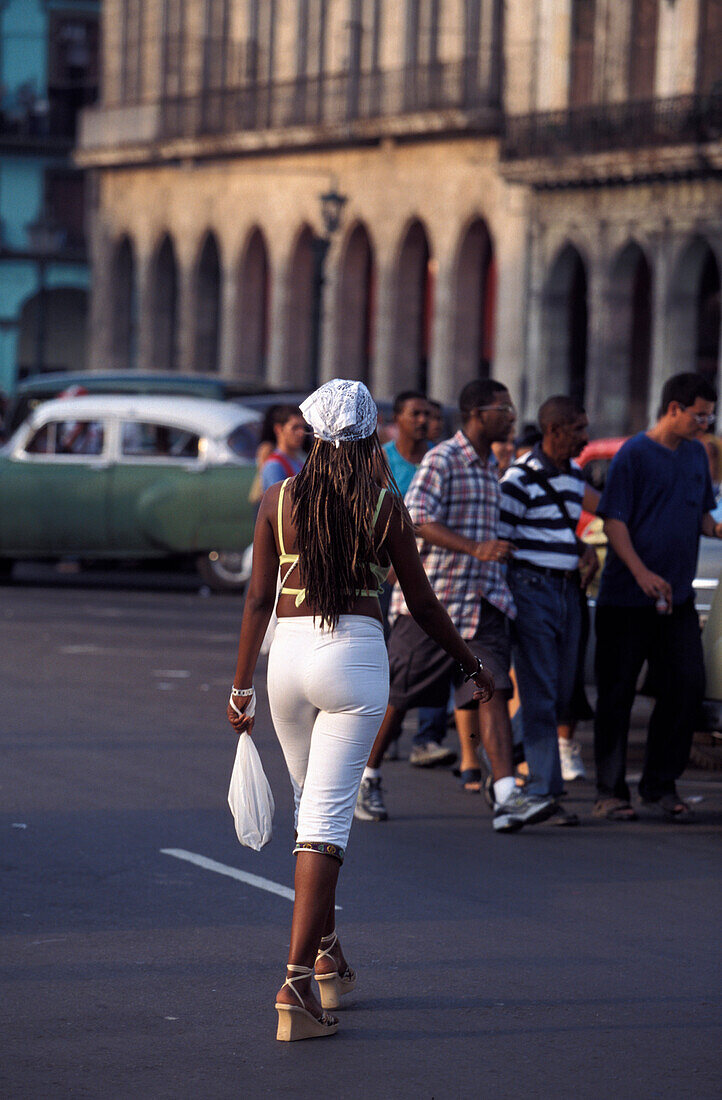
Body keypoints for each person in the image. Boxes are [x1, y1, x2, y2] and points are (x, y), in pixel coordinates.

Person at [226, 378, 493, 1041]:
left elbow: (257, 601)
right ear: (371, 435)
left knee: (308, 809)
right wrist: (469, 662)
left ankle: (326, 956)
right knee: (325, 822)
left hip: (285, 662)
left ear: (313, 436)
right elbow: (424, 606)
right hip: (354, 658)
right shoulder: (383, 505)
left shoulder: (277, 499)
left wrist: (241, 689)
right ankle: (294, 986)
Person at [357, 379, 556, 832]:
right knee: (398, 697)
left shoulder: (490, 466)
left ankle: (507, 796)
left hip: (484, 602)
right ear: (477, 413)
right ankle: (367, 777)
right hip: (436, 603)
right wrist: (476, 548)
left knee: (493, 690)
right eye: (503, 408)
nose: (510, 415)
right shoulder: (444, 458)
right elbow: (419, 518)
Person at [592, 372, 722, 822]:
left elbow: (703, 517)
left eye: (710, 416)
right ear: (673, 409)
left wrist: (718, 528)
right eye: (699, 415)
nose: (705, 424)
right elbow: (614, 522)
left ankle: (660, 785)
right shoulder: (634, 454)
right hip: (627, 598)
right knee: (617, 694)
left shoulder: (696, 456)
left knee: (686, 687)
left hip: (677, 599)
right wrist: (642, 572)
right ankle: (610, 791)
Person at [499, 397, 600, 825]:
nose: (585, 437)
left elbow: (559, 527)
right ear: (555, 430)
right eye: (578, 429)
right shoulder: (519, 478)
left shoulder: (575, 475)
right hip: (531, 589)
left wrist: (581, 550)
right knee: (541, 693)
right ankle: (541, 789)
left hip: (566, 591)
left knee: (560, 692)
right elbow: (500, 541)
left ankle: (501, 752)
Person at [377, 391, 455, 774]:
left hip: (425, 572)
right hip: (381, 571)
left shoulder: (439, 460)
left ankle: (427, 738)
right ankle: (382, 735)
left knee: (433, 649)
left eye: (429, 414)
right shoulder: (382, 460)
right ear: (398, 419)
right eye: (416, 413)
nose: (423, 420)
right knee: (389, 656)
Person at [260, 404, 307, 491]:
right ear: (279, 429)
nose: (301, 433)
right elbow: (277, 501)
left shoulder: (300, 461)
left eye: (303, 427)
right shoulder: (274, 466)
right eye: (295, 428)